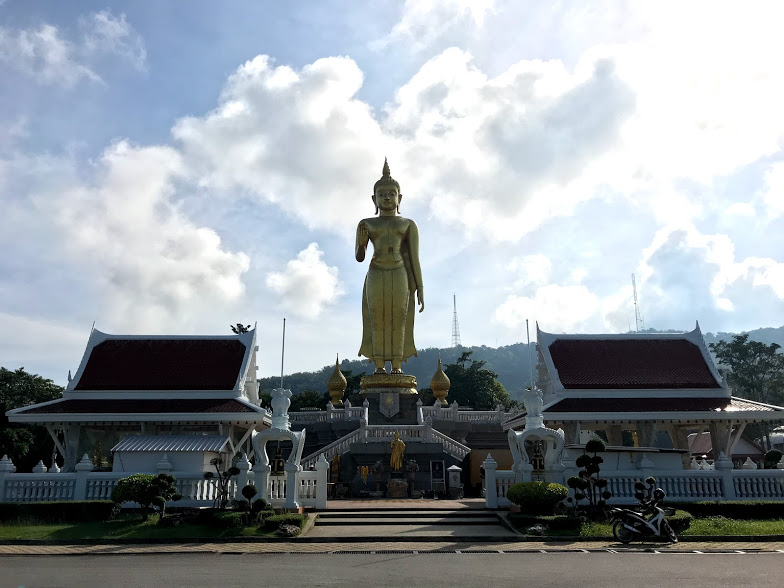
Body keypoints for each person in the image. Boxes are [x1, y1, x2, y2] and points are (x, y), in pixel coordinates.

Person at [356, 159, 424, 374]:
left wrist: (420, 287)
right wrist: (361, 243)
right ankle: (378, 365)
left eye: (391, 193)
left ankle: (396, 365)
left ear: (399, 198)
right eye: (382, 194)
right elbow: (359, 257)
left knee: (398, 317)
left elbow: (414, 258)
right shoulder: (367, 223)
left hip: (399, 272)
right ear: (374, 199)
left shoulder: (408, 224)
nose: (386, 197)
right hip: (376, 271)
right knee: (377, 317)